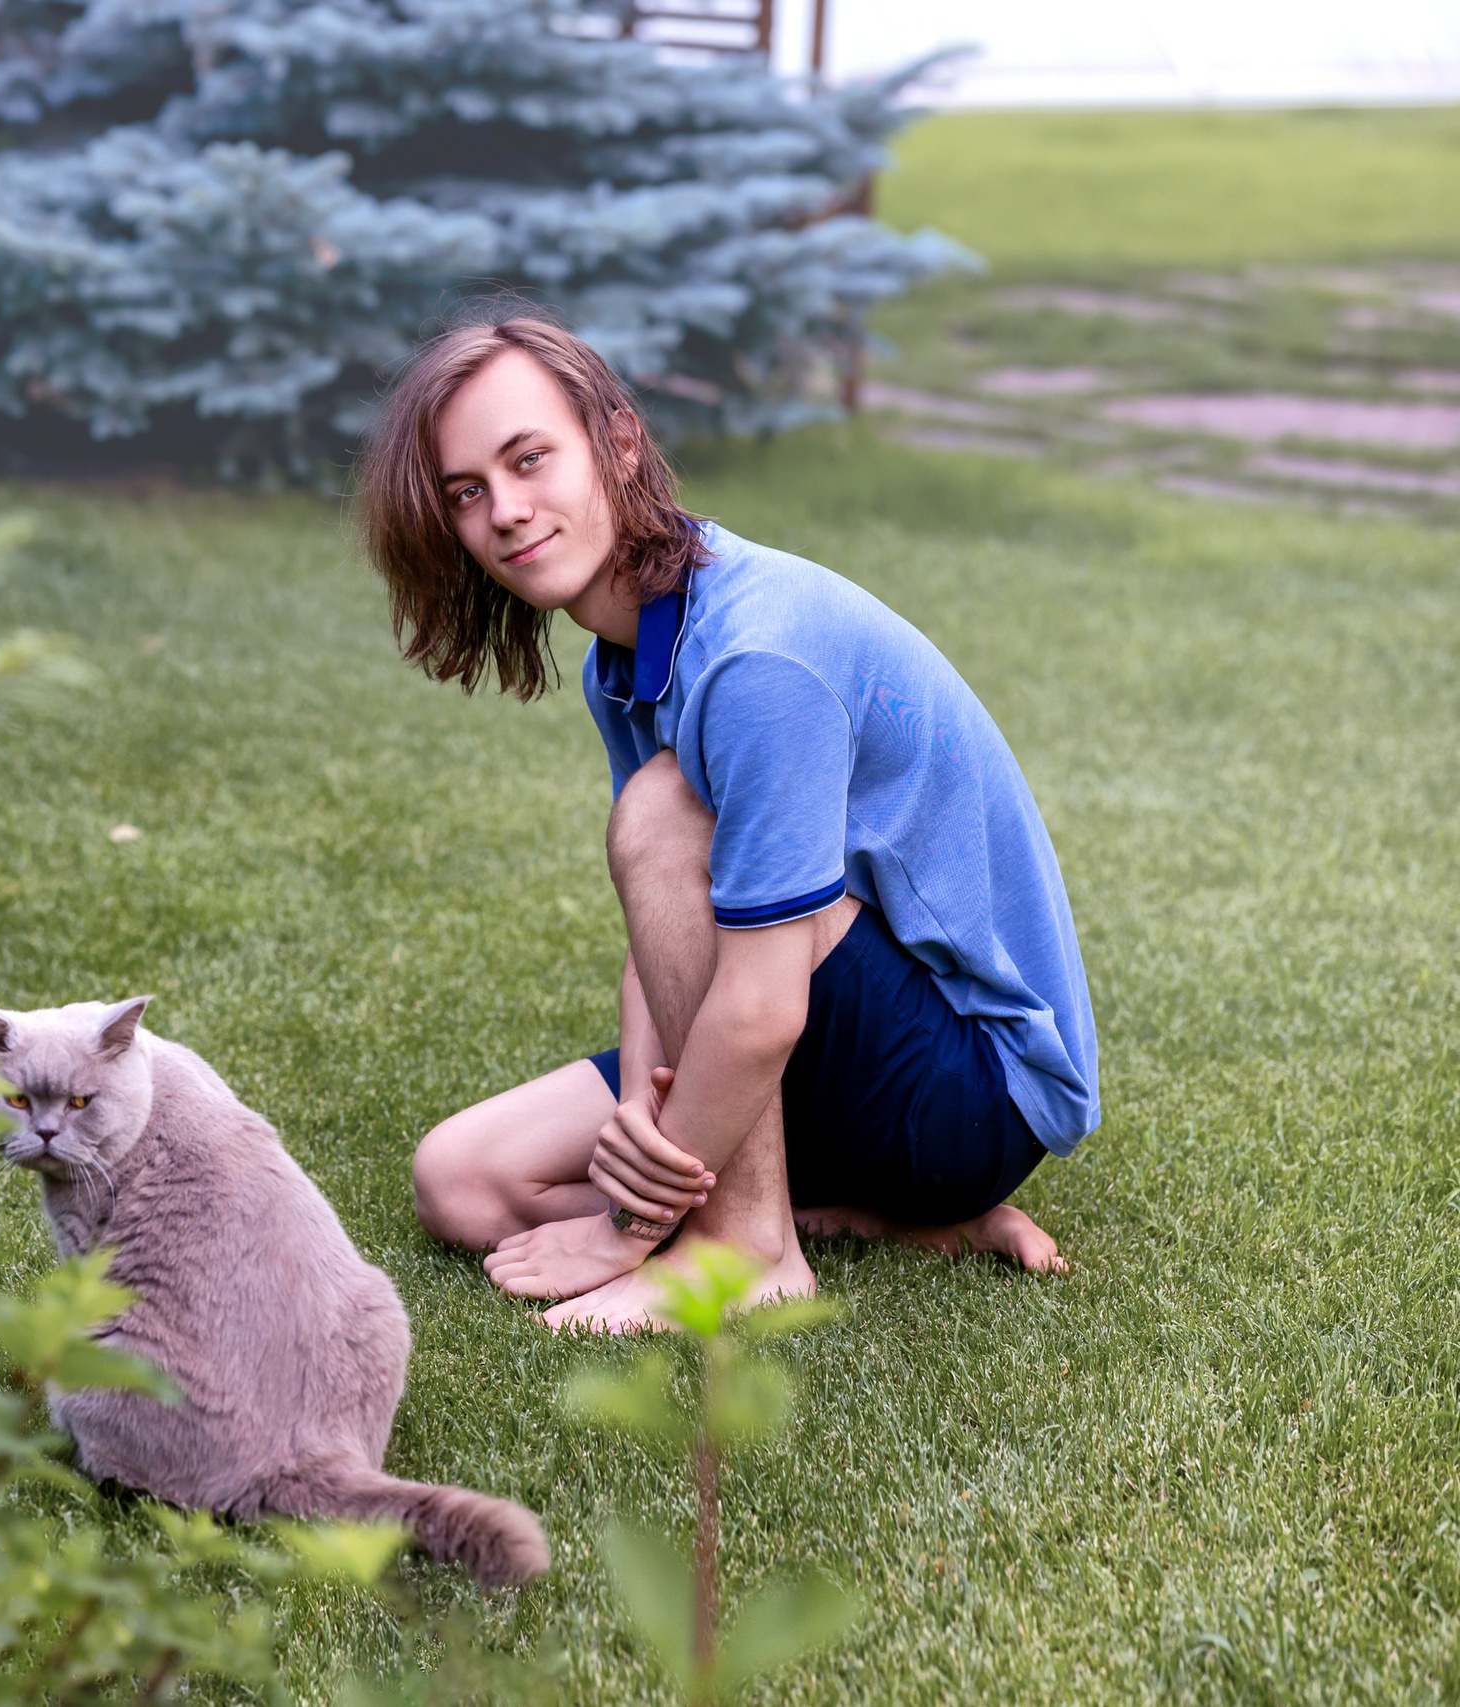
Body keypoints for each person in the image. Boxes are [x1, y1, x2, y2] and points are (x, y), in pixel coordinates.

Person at [361, 315, 1098, 1333]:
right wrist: (636, 1110)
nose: (505, 512)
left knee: (663, 810)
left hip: (970, 1087)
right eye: (467, 492)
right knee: (462, 1184)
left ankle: (743, 1252)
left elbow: (756, 1009)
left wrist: (626, 1221)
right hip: (828, 1044)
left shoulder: (755, 660)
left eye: (529, 460)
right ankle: (869, 1221)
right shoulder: (620, 658)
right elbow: (664, 908)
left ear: (618, 447)